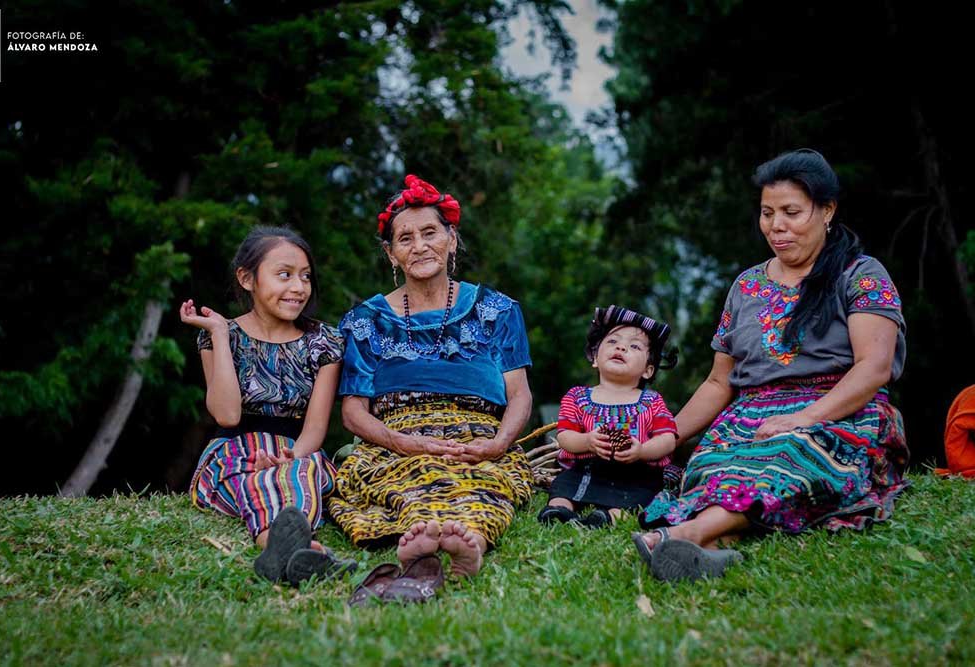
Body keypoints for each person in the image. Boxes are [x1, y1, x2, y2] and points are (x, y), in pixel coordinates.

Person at [633, 149, 909, 582]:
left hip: (838, 413)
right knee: (716, 468)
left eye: (791, 212)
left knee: (787, 456)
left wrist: (801, 418)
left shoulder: (861, 274)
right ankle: (714, 547)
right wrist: (666, 436)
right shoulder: (746, 285)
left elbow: (872, 368)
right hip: (747, 418)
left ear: (827, 210)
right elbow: (718, 382)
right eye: (767, 213)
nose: (776, 226)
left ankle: (685, 533)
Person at [329, 175, 534, 577]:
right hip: (396, 436)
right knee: (406, 476)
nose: (420, 246)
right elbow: (353, 413)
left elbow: (520, 395)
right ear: (391, 254)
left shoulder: (499, 310)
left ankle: (469, 538)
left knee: (485, 477)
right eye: (405, 239)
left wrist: (497, 444)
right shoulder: (363, 322)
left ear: (451, 240)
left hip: (477, 434)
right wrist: (404, 443)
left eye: (430, 233)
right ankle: (422, 534)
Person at [181, 226, 355, 586]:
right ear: (247, 278)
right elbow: (227, 415)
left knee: (296, 474)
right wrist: (219, 335)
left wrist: (288, 457)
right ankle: (307, 553)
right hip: (231, 450)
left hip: (297, 449)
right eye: (284, 275)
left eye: (305, 277)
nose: (298, 287)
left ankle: (281, 553)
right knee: (249, 479)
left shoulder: (325, 342)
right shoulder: (219, 335)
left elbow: (316, 429)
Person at [538, 305, 679, 528]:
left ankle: (610, 516)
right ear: (595, 357)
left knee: (643, 495)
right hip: (588, 469)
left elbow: (668, 440)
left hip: (637, 472)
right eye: (613, 342)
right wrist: (587, 441)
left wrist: (641, 451)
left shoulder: (652, 401)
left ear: (648, 370)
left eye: (634, 346)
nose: (621, 347)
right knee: (564, 483)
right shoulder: (577, 397)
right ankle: (559, 508)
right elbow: (564, 436)